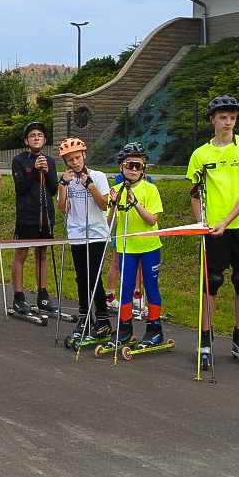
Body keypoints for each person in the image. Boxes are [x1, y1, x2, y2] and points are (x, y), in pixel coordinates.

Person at [187, 96, 239, 362]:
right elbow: (195, 194)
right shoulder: (200, 154)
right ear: (212, 120)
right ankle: (205, 338)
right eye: (222, 117)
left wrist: (227, 221)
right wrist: (202, 223)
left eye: (232, 117)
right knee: (213, 281)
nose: (228, 121)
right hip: (212, 228)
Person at [108, 143, 165, 348]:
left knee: (150, 287)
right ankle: (124, 328)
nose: (133, 169)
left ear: (143, 169)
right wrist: (114, 203)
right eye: (129, 165)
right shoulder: (116, 189)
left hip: (149, 246)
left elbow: (151, 220)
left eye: (138, 166)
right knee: (126, 289)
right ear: (121, 167)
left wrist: (135, 203)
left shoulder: (151, 189)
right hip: (126, 247)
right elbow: (109, 223)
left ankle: (154, 328)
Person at [56, 137, 111, 343]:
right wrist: (62, 186)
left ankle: (103, 318)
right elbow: (63, 208)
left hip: (96, 233)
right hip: (76, 234)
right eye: (70, 160)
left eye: (77, 158)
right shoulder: (67, 180)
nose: (75, 163)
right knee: (81, 278)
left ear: (84, 156)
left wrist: (89, 185)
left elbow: (105, 204)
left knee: (93, 276)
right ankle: (84, 317)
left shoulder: (98, 176)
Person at [10, 122, 58, 315]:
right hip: (26, 215)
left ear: (45, 140)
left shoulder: (51, 161)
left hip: (45, 215)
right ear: (26, 141)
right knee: (21, 254)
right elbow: (20, 189)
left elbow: (53, 190)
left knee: (42, 254)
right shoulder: (19, 160)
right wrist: (34, 171)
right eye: (32, 135)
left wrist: (46, 172)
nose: (36, 137)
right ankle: (18, 297)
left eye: (39, 135)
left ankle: (43, 295)